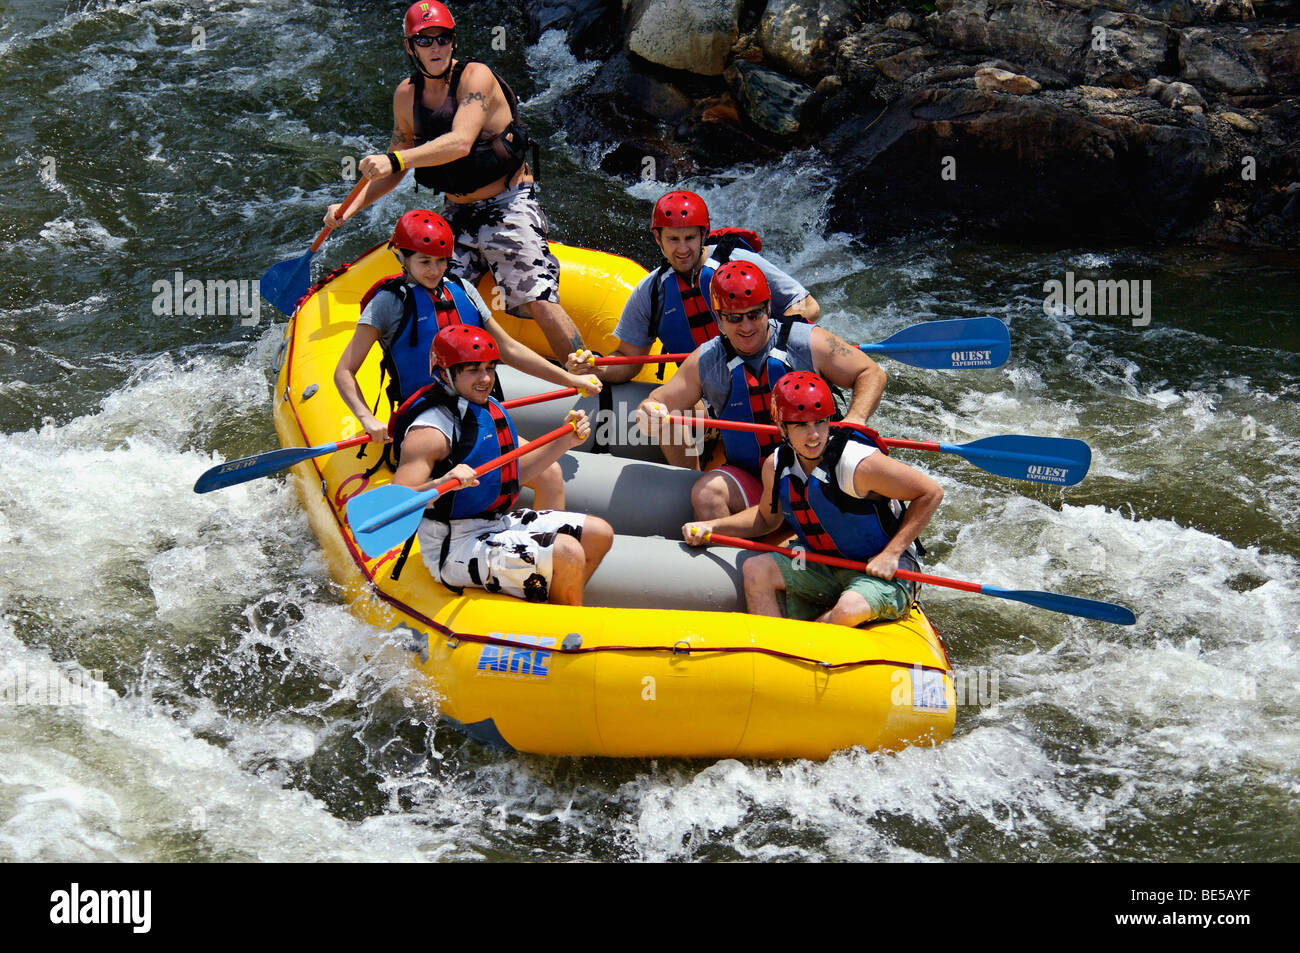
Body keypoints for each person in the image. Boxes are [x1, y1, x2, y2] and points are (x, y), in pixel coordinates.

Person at [323, 1, 585, 362]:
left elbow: (460, 142)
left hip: (508, 203)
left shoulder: (476, 77)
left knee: (535, 297)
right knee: (430, 297)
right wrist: (349, 207)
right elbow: (394, 171)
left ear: (453, 41)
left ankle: (587, 375)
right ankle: (447, 384)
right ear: (409, 46)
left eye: (442, 39)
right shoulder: (406, 96)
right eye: (425, 40)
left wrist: (395, 159)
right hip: (457, 212)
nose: (436, 48)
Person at [333, 209, 597, 508]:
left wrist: (569, 378)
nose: (435, 270)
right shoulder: (388, 304)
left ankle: (547, 549)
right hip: (430, 422)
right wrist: (366, 418)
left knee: (550, 475)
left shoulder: (463, 289)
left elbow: (507, 348)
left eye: (442, 260)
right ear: (402, 259)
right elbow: (344, 370)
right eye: (424, 262)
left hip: (477, 411)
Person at [683, 372, 942, 627]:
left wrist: (891, 553)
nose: (814, 434)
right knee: (755, 569)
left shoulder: (856, 464)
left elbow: (930, 492)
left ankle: (809, 638)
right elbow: (764, 518)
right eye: (801, 424)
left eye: (820, 422)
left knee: (848, 611)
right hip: (819, 562)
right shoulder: (778, 464)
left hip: (880, 570)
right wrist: (713, 527)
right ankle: (772, 649)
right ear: (782, 427)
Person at [637, 260, 887, 520]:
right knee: (707, 495)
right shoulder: (708, 359)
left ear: (768, 308)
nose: (746, 326)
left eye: (754, 314)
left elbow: (871, 373)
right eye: (734, 318)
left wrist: (853, 421)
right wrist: (649, 412)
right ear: (719, 318)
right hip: (753, 477)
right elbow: (658, 402)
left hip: (818, 469)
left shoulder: (806, 341)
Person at [394, 325, 613, 605]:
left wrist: (565, 440)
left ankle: (550, 608)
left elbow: (516, 475)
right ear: (445, 374)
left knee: (599, 534)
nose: (485, 378)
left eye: (489, 368)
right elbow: (399, 505)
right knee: (567, 551)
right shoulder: (430, 432)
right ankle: (564, 632)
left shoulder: (489, 408)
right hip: (454, 545)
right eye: (473, 370)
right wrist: (441, 483)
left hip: (496, 524)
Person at [565, 189, 820, 391]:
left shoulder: (738, 262)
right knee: (671, 418)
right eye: (673, 239)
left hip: (770, 377)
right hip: (709, 392)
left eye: (689, 238)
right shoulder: (652, 292)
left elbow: (807, 305)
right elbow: (629, 360)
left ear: (703, 235)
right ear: (658, 239)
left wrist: (774, 347)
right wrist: (596, 367)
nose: (682, 249)